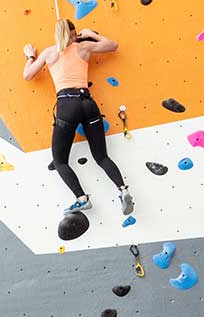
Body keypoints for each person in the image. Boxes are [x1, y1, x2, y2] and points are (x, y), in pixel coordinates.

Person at [23, 19, 131, 217]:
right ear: (74, 33)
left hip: (67, 105)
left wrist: (30, 57)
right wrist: (91, 33)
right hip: (88, 103)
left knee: (60, 160)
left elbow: (27, 75)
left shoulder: (49, 52)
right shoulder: (84, 47)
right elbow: (113, 45)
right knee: (101, 156)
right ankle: (123, 190)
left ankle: (82, 199)